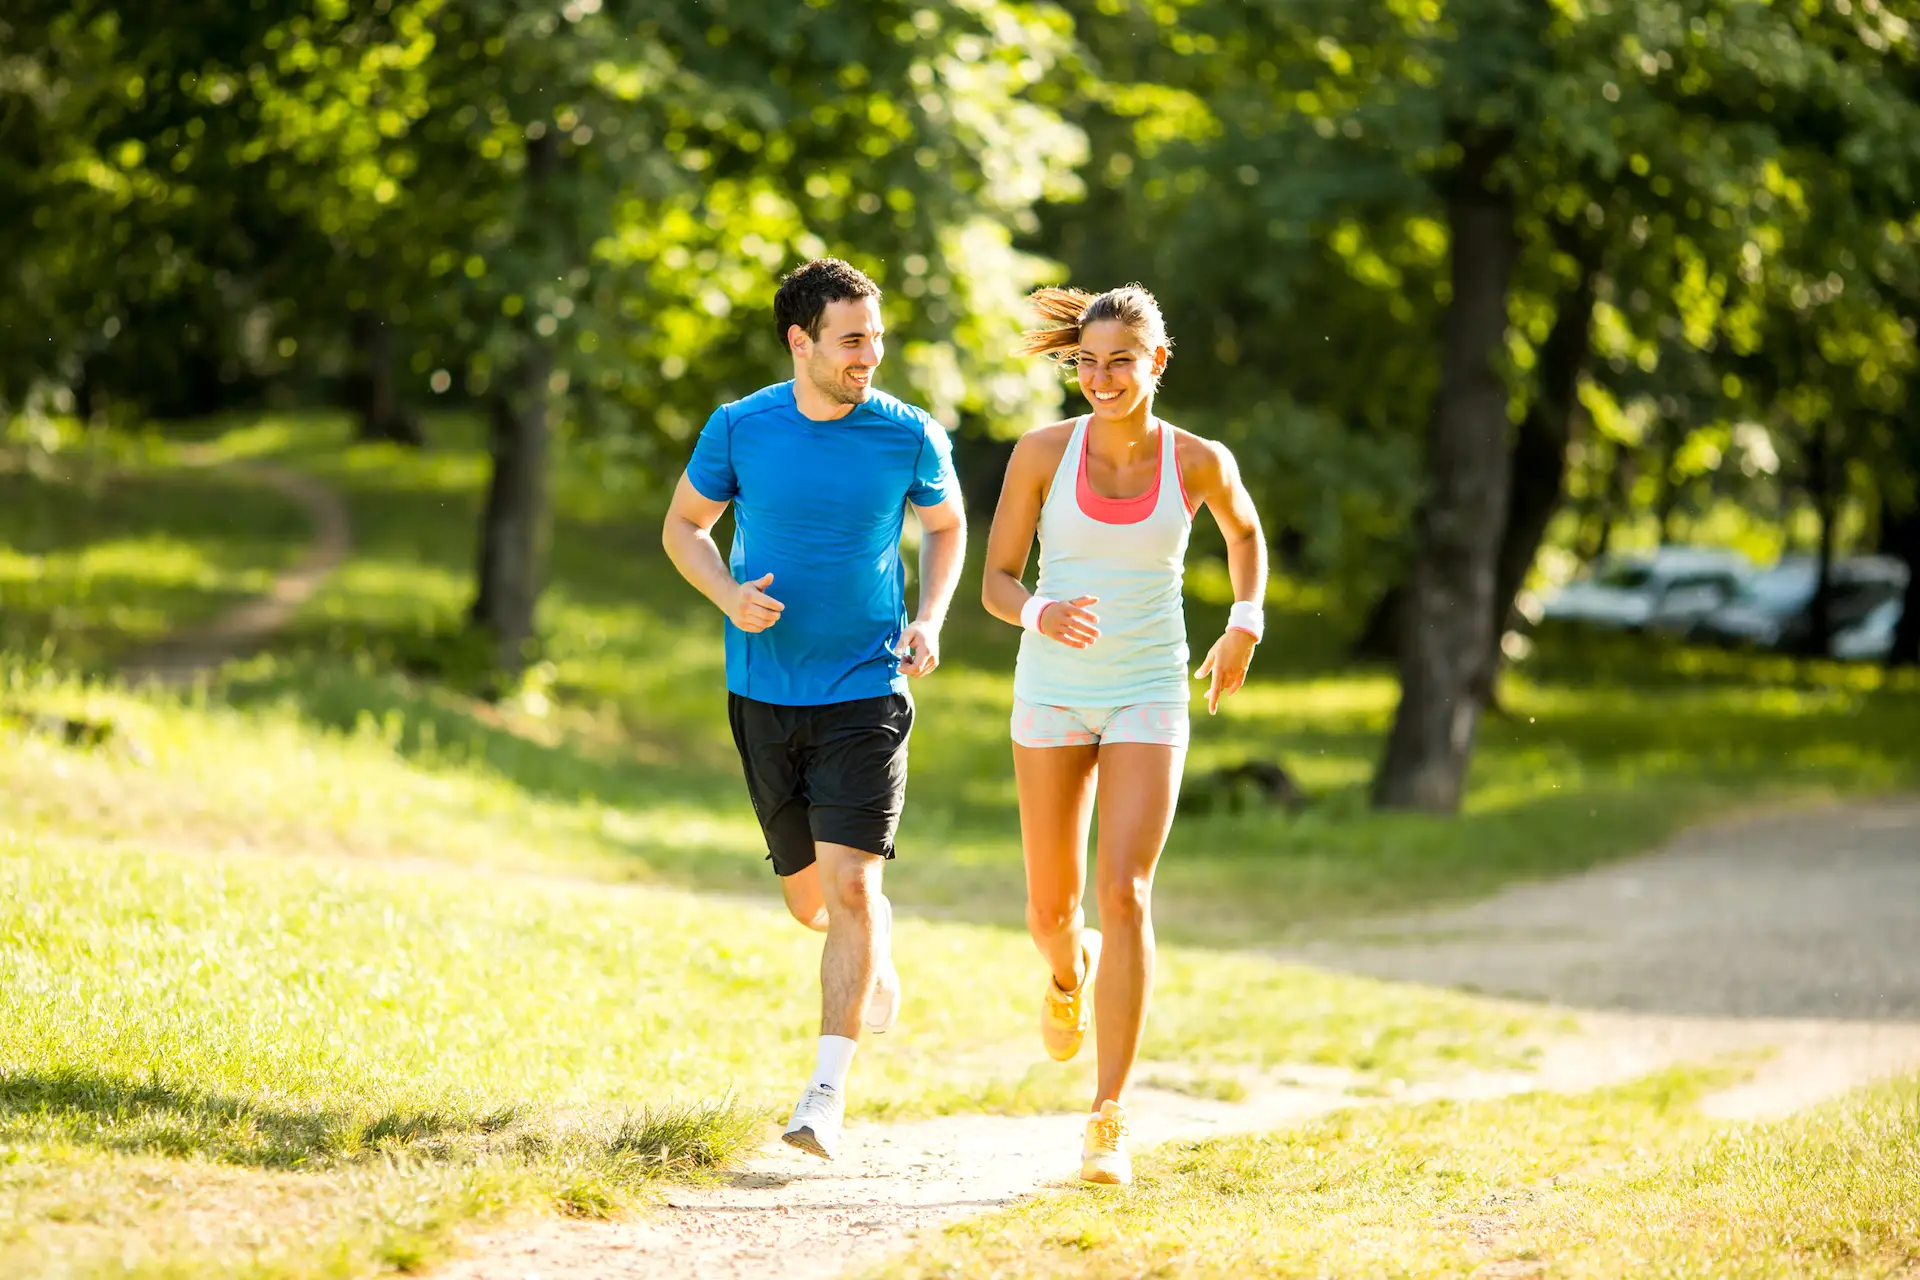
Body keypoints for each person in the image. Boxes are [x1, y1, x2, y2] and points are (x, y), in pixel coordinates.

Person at [661, 258, 966, 1161]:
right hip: (762, 690)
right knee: (811, 904)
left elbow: (945, 526)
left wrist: (931, 617)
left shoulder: (908, 435)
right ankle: (873, 952)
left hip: (867, 687)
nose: (870, 355)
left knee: (854, 884)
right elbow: (684, 526)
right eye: (852, 340)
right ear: (802, 341)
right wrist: (725, 594)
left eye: (876, 338)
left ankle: (823, 1095)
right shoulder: (739, 427)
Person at [980, 284, 1267, 1185]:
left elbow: (1246, 533)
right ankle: (1068, 977)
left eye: (1121, 361)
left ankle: (1108, 1119)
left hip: (1150, 690)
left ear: (1158, 363)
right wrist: (1039, 610)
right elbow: (994, 580)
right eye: (1088, 362)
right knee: (1050, 914)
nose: (1102, 379)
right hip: (1054, 695)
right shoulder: (1038, 455)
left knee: (1126, 890)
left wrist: (1244, 621)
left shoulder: (1198, 461)